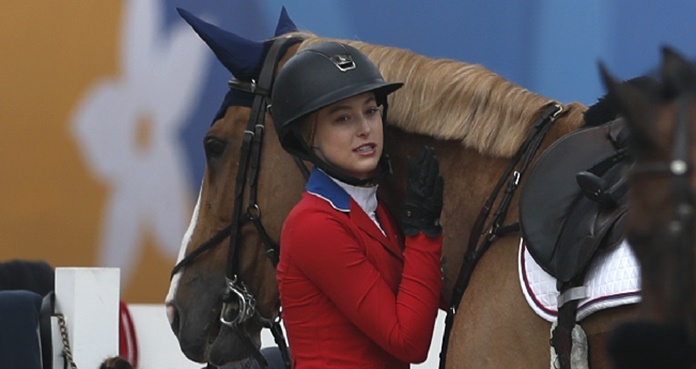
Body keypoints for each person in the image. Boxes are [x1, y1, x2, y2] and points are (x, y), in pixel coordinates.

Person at [271, 41, 444, 369]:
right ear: (309, 137)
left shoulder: (375, 212)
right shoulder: (313, 225)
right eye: (342, 118)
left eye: (370, 110)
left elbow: (428, 297)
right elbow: (408, 341)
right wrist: (424, 235)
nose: (365, 128)